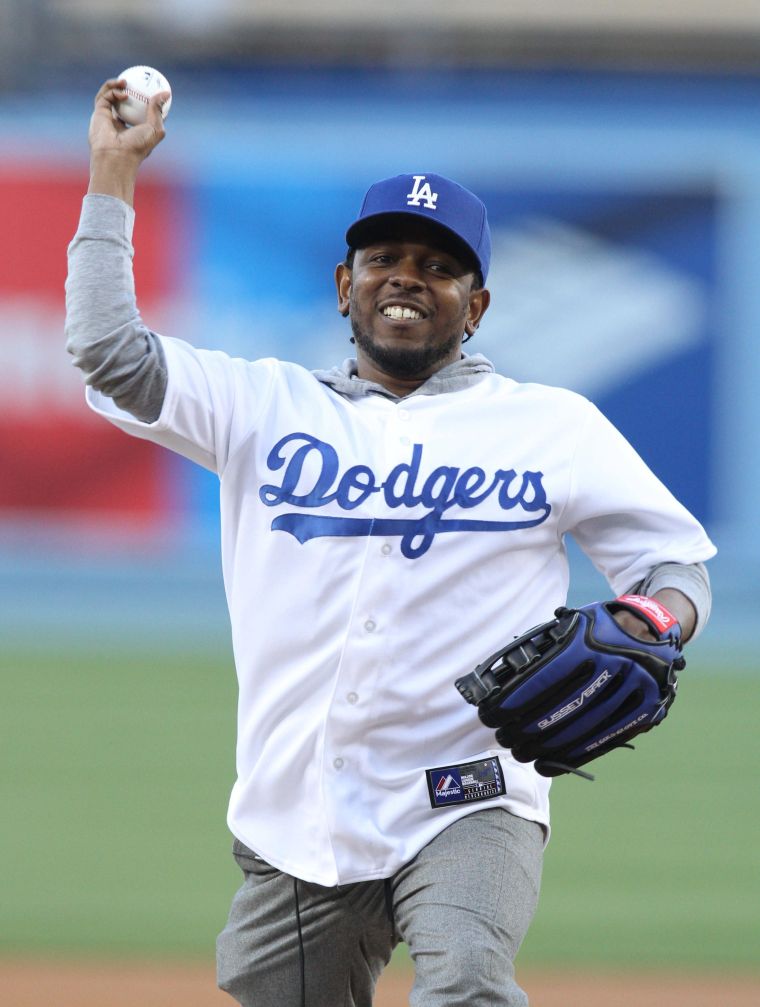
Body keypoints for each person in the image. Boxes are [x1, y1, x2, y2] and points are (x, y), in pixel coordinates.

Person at [65, 79, 716, 1007]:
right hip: (299, 805)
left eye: (438, 265)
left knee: (469, 983)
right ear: (345, 287)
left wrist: (654, 618)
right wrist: (112, 172)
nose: (407, 276)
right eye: (384, 258)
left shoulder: (553, 426)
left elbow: (674, 565)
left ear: (476, 305)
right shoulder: (263, 405)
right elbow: (107, 351)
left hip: (473, 794)